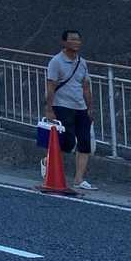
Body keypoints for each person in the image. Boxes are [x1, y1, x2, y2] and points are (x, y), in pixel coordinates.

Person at [44, 29, 94, 191]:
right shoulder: (56, 61)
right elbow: (51, 86)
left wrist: (90, 107)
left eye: (78, 40)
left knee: (85, 143)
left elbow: (86, 86)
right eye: (72, 39)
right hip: (62, 105)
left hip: (80, 106)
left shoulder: (82, 62)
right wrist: (49, 109)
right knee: (67, 142)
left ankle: (79, 179)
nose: (76, 42)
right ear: (64, 42)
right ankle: (49, 163)